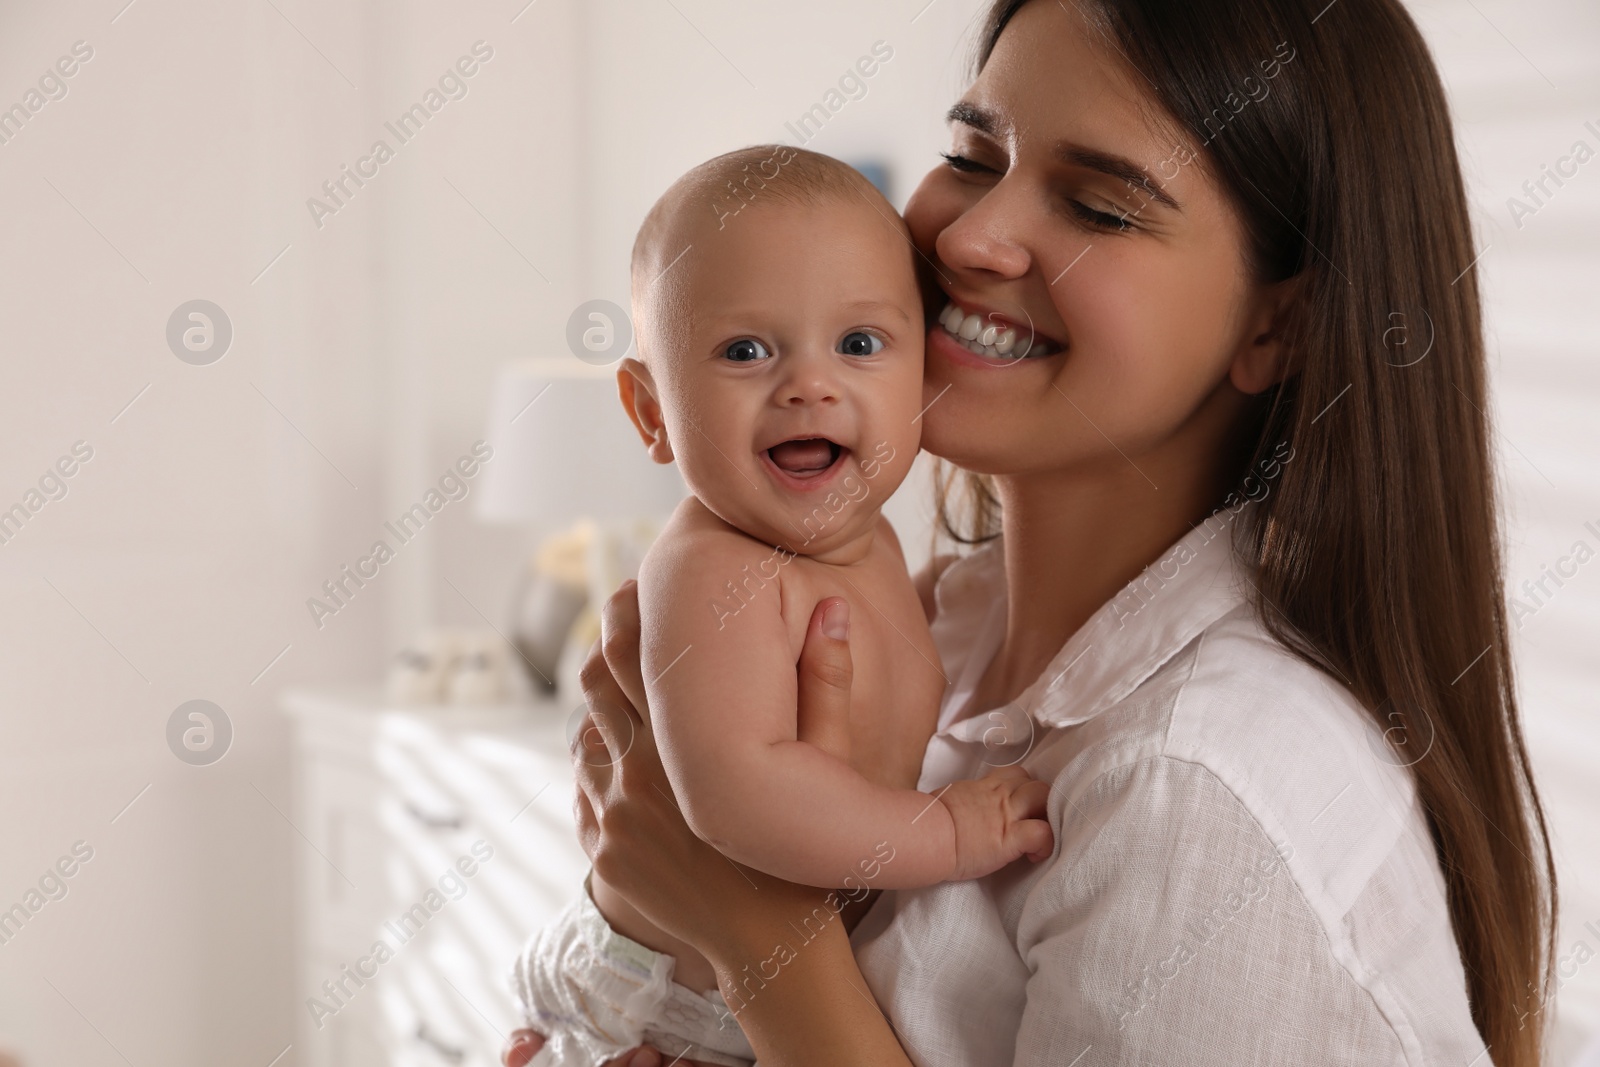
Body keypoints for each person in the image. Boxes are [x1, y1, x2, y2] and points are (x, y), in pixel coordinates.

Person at [507, 0, 1558, 1063]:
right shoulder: (942, 627)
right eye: (972, 154)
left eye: (1099, 208)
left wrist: (756, 928)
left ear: (1274, 324)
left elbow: (739, 897)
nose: (966, 235)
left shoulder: (1201, 787)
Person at [510, 146, 1050, 1067]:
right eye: (744, 351)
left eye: (859, 344)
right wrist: (948, 833)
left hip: (753, 989)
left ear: (924, 369)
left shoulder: (881, 550)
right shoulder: (716, 572)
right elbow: (736, 798)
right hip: (660, 1004)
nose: (808, 383)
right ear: (650, 414)